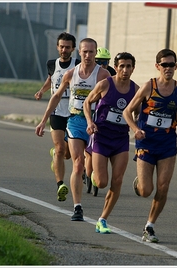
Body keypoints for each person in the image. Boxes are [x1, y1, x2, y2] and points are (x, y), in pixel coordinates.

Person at [122, 48, 177, 242]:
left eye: (172, 65)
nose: (168, 68)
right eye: (164, 65)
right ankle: (139, 182)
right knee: (146, 190)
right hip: (146, 142)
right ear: (158, 66)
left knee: (163, 186)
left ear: (176, 66)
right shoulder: (148, 87)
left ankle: (150, 226)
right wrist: (134, 129)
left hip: (168, 145)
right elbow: (127, 112)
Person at [35, 38, 111, 221]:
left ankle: (94, 179)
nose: (87, 55)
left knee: (100, 178)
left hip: (96, 123)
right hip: (76, 120)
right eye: (84, 52)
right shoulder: (71, 74)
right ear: (80, 52)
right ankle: (77, 208)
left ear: (95, 53)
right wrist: (43, 120)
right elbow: (56, 96)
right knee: (77, 162)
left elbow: (113, 97)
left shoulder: (103, 75)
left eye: (91, 52)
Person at [83, 52, 139, 234]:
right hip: (101, 137)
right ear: (116, 67)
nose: (125, 70)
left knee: (117, 180)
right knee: (101, 182)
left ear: (133, 68)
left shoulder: (136, 90)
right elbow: (86, 102)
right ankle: (92, 174)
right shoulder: (105, 84)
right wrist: (90, 122)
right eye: (121, 66)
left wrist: (137, 125)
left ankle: (103, 219)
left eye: (128, 66)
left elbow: (139, 111)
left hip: (121, 139)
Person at [34, 32, 80, 203]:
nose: (64, 50)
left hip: (74, 113)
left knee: (67, 153)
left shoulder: (78, 64)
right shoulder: (52, 64)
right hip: (57, 112)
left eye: (67, 47)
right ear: (57, 47)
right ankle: (60, 184)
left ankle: (56, 155)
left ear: (73, 49)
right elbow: (50, 80)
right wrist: (42, 91)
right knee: (61, 149)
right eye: (61, 46)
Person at [84, 46, 116, 196]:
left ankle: (93, 172)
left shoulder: (112, 74)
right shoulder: (89, 72)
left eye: (106, 62)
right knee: (86, 151)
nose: (103, 65)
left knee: (92, 149)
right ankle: (87, 170)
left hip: (100, 116)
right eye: (100, 62)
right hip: (84, 112)